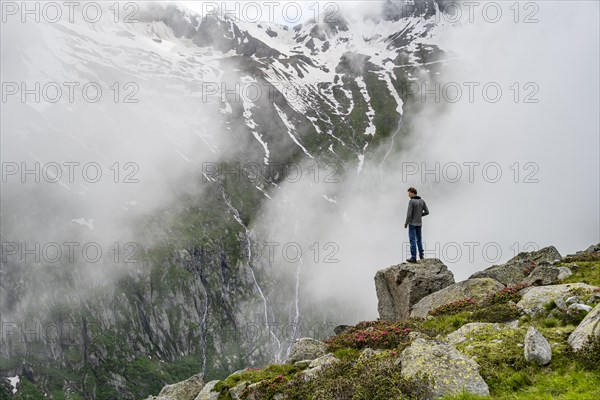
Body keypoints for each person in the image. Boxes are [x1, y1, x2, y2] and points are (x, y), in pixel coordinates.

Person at [404, 187, 429, 263]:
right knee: (419, 240)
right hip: (419, 224)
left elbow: (409, 214)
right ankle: (421, 255)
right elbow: (427, 212)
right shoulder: (422, 201)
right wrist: (419, 215)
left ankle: (413, 257)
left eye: (409, 193)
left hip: (412, 224)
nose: (408, 195)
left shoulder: (412, 202)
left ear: (413, 193)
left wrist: (406, 223)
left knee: (412, 240)